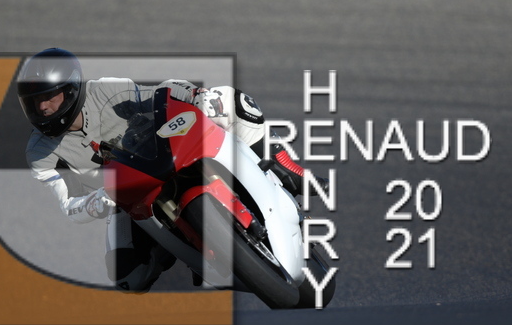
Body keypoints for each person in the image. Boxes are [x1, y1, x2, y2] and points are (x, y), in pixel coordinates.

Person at [18, 48, 326, 292]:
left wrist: (195, 96)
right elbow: (67, 205)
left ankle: (285, 167)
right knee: (129, 278)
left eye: (48, 97)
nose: (42, 108)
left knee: (229, 101)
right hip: (125, 197)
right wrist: (97, 201)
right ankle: (181, 246)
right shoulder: (39, 153)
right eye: (34, 102)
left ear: (71, 89)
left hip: (163, 151)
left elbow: (160, 94)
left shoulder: (106, 91)